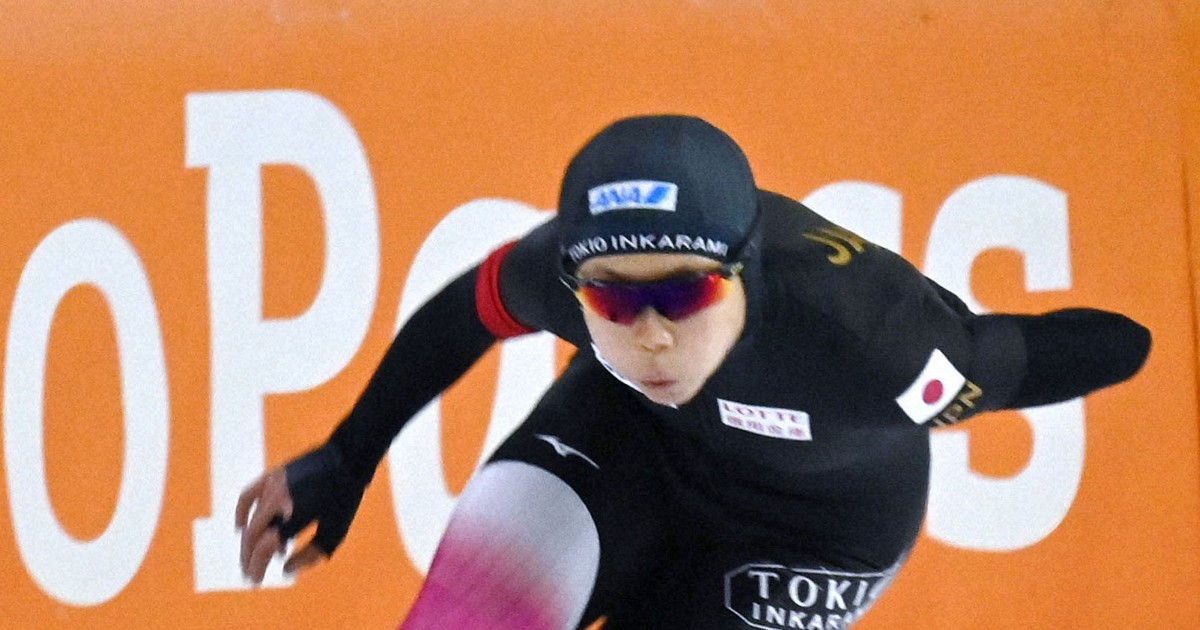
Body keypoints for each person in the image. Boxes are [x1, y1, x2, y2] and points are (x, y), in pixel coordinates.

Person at [235, 115, 1151, 629]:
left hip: (813, 536)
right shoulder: (561, 275)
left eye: (682, 294)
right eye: (612, 301)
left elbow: (1048, 354)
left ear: (745, 271)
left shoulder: (868, 339)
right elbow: (463, 315)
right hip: (633, 444)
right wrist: (349, 456)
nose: (652, 337)